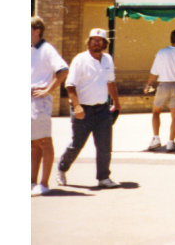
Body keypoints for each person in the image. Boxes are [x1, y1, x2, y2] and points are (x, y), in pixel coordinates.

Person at [57, 28, 121, 189]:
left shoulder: (107, 59)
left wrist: (117, 103)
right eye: (93, 39)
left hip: (102, 110)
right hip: (83, 111)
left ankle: (104, 178)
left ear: (105, 43)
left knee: (104, 146)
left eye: (100, 40)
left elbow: (110, 82)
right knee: (76, 145)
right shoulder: (80, 59)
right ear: (89, 42)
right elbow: (70, 85)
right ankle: (61, 169)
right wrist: (77, 106)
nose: (96, 42)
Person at [31, 17, 69, 196]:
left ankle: (44, 183)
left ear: (37, 30)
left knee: (44, 141)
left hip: (39, 102)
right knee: (33, 144)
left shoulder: (47, 49)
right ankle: (33, 182)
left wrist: (47, 90)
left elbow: (63, 70)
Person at [144, 29, 175, 152]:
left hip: (163, 85)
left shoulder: (161, 52)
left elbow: (154, 72)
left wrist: (148, 84)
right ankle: (170, 142)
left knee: (156, 112)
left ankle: (156, 138)